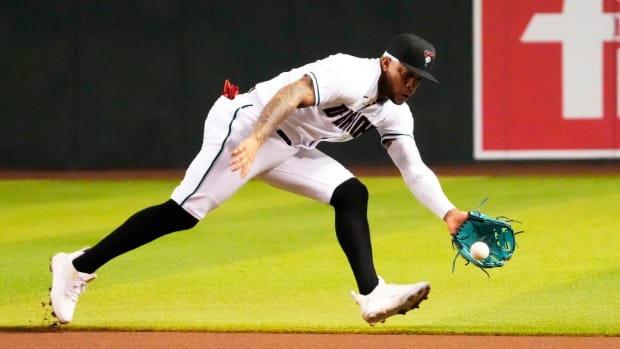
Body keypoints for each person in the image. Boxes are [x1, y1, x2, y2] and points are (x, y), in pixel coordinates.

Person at [50, 33, 469, 326]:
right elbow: (289, 95)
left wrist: (447, 212)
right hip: (247, 120)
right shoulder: (350, 72)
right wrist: (253, 140)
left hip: (289, 146)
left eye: (418, 79)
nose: (411, 84)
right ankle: (76, 266)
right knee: (183, 213)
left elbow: (412, 167)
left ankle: (372, 293)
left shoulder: (394, 110)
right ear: (386, 62)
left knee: (351, 193)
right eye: (407, 73)